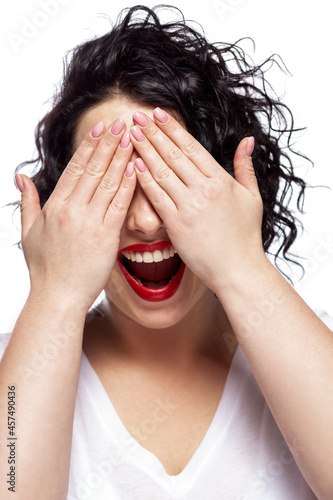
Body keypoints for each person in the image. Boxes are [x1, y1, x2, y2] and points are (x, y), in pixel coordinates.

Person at [0, 4, 332, 499]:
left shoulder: (313, 351)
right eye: (112, 187)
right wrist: (55, 296)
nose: (147, 222)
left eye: (170, 181)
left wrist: (242, 266)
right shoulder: (15, 371)